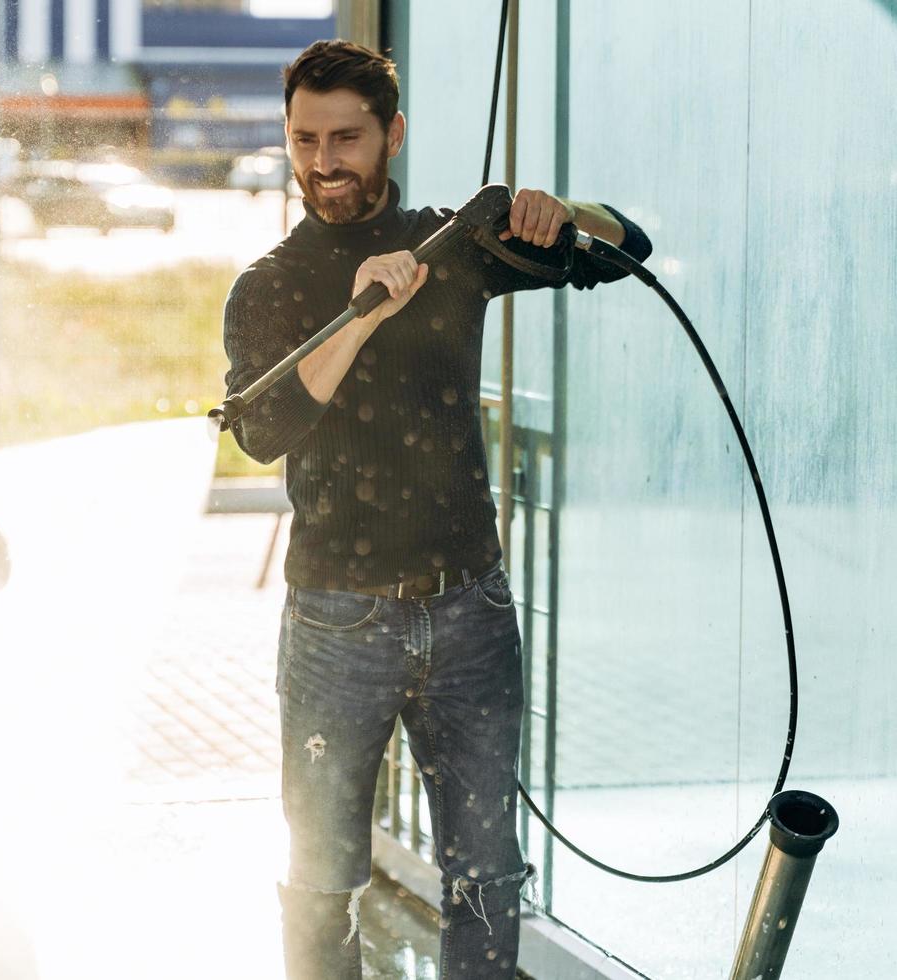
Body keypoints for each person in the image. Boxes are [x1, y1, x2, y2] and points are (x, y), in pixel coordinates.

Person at [220, 39, 653, 980]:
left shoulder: (452, 250)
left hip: (470, 614)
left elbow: (628, 249)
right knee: (322, 877)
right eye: (305, 140)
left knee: (488, 878)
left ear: (394, 135)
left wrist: (555, 209)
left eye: (347, 138)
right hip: (337, 622)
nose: (324, 163)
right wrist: (366, 309)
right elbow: (263, 429)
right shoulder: (272, 283)